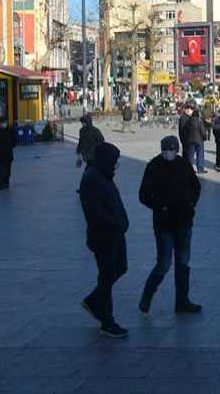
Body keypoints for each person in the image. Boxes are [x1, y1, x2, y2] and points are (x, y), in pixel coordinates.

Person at [138, 136, 202, 314]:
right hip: (163, 224)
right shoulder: (153, 166)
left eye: (171, 150)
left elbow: (196, 187)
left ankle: (182, 301)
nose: (168, 154)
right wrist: (160, 207)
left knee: (183, 262)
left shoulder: (183, 164)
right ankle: (147, 296)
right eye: (165, 150)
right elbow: (143, 195)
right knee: (164, 263)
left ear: (177, 150)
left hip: (184, 221)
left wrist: (190, 205)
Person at [78, 142, 130, 338]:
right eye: (115, 161)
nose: (116, 165)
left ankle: (93, 301)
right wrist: (114, 223)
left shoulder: (104, 173)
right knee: (107, 276)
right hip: (103, 237)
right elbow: (94, 211)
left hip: (116, 234)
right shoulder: (91, 178)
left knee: (120, 268)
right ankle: (107, 321)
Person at [180, 106, 208, 174]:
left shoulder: (188, 121)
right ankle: (200, 169)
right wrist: (205, 137)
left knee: (190, 156)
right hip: (199, 140)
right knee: (200, 155)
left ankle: (190, 169)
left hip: (190, 141)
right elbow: (203, 131)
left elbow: (185, 131)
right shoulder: (199, 121)